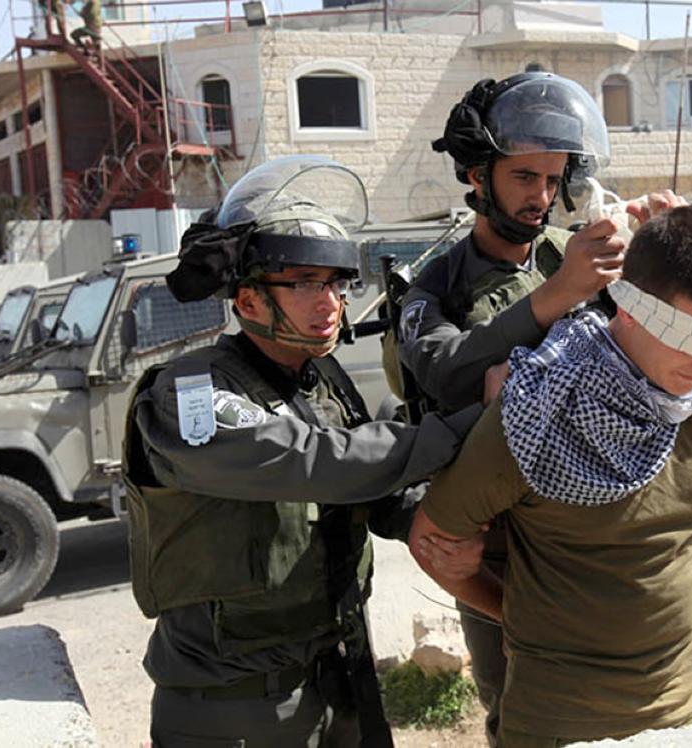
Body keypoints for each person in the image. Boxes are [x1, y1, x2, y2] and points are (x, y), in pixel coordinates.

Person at [122, 156, 484, 748]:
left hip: (337, 681)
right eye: (305, 284)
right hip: (235, 710)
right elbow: (313, 459)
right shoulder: (189, 394)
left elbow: (370, 487)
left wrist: (436, 522)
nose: (330, 302)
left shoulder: (322, 381)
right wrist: (462, 426)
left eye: (337, 284)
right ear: (247, 302)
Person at [395, 71, 682, 744]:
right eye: (524, 177)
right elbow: (447, 370)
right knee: (517, 702)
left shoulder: (570, 254)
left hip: (586, 524)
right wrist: (561, 292)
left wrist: (660, 251)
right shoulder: (434, 286)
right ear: (478, 176)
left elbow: (649, 344)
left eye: (553, 179)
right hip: (495, 540)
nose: (541, 196)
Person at [409, 205, 692, 747]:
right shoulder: (536, 409)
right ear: (631, 309)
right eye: (691, 342)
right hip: (564, 723)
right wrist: (515, 614)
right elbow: (432, 540)